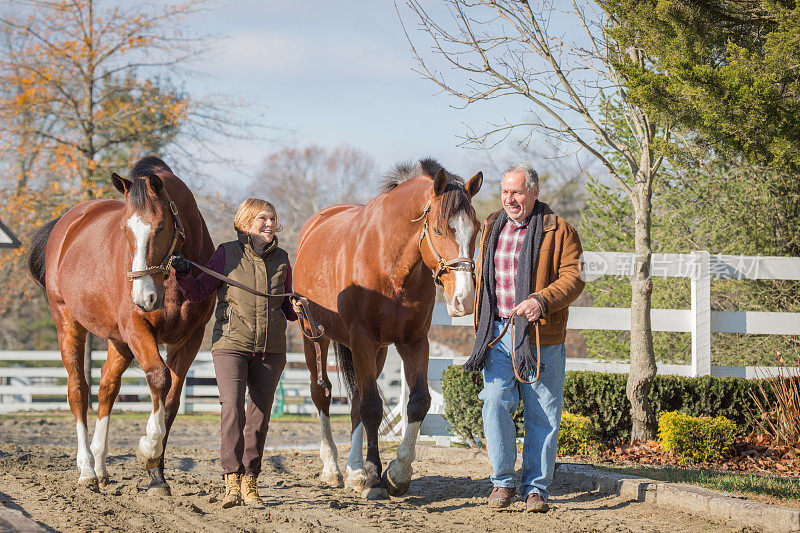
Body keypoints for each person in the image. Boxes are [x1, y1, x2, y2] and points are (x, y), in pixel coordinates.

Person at [464, 162, 584, 512]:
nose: (510, 199)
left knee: (543, 414)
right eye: (505, 192)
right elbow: (481, 274)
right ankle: (502, 482)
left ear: (534, 192)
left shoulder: (560, 231)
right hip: (497, 332)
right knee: (495, 405)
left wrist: (541, 300)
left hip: (539, 336)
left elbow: (573, 279)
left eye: (516, 192)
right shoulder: (490, 226)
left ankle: (536, 489)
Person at [171, 198, 300, 508]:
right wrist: (184, 273)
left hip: (271, 348)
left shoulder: (282, 258)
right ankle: (231, 479)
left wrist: (297, 306)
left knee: (259, 418)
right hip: (231, 345)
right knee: (232, 410)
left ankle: (250, 481)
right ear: (245, 223)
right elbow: (199, 291)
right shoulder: (226, 253)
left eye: (272, 218)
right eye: (263, 218)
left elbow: (286, 305)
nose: (270, 223)